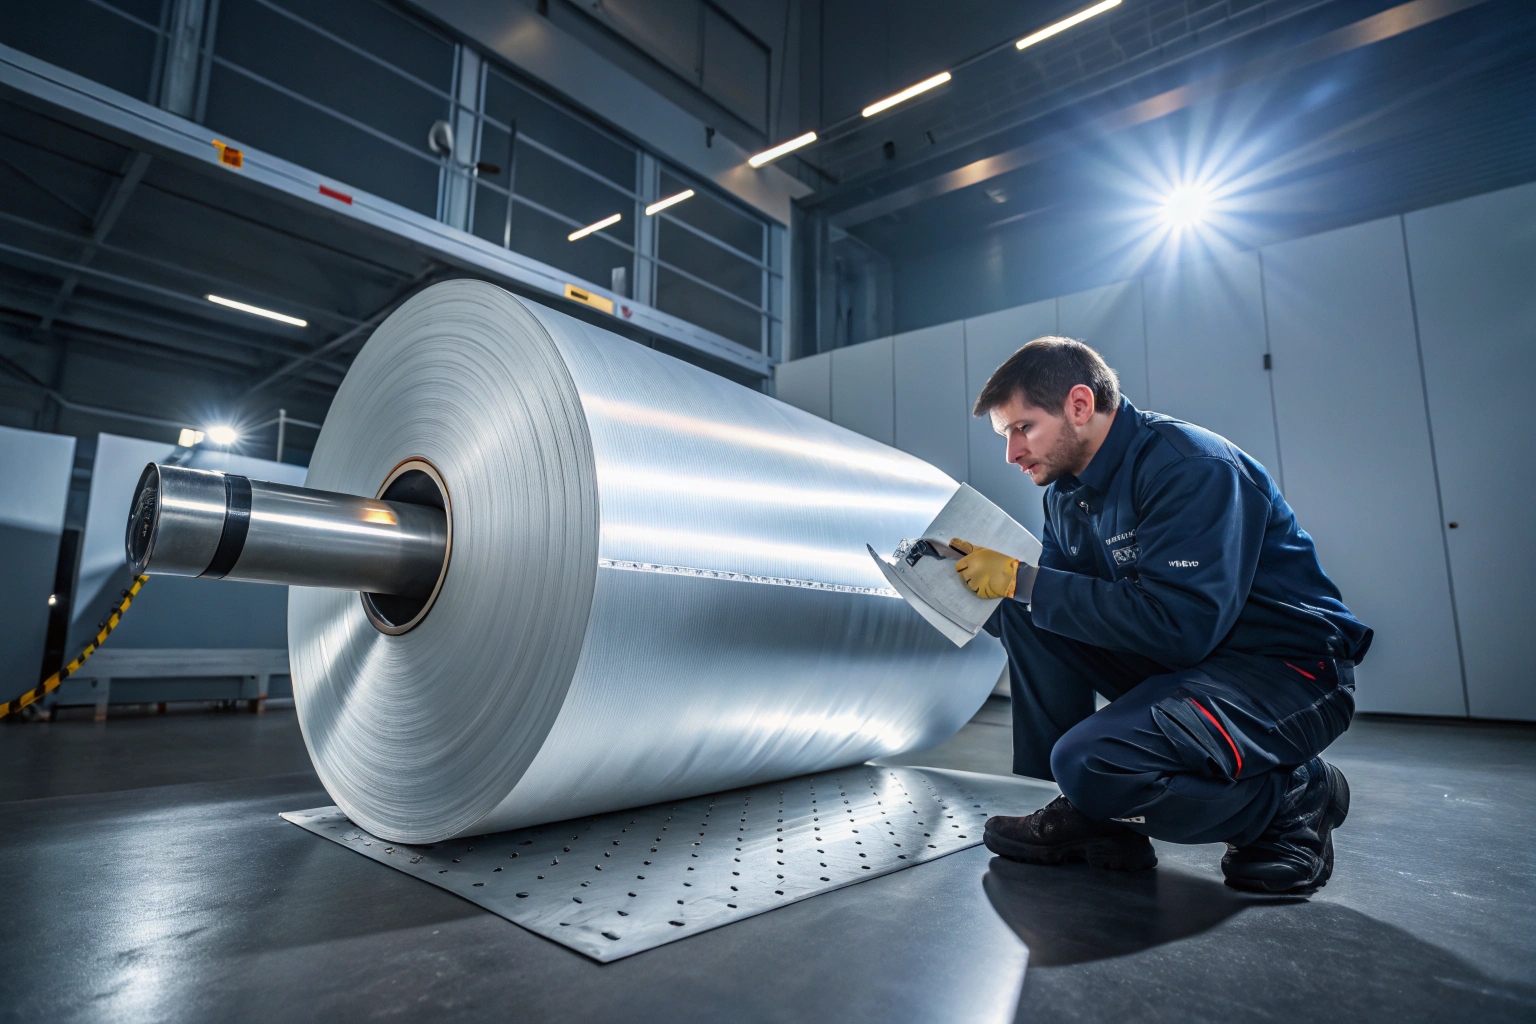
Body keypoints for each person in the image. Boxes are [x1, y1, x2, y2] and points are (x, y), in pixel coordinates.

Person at [951, 336, 1370, 894]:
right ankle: (1092, 812)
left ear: (1079, 405)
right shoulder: (1065, 495)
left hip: (1285, 673)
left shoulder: (1190, 467)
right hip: (1198, 663)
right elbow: (1063, 605)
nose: (1012, 452)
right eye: (1006, 435)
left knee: (1092, 762)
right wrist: (987, 593)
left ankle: (1291, 798)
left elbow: (1181, 628)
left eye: (1023, 427)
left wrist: (1025, 581)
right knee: (1024, 613)